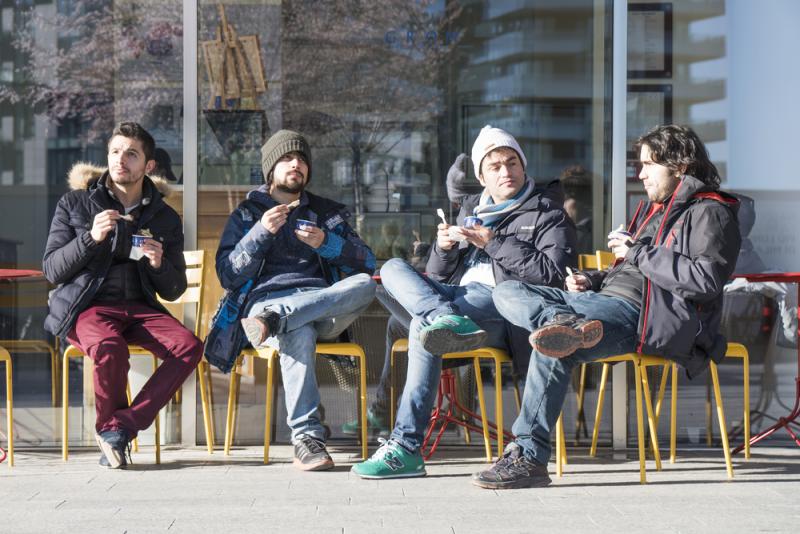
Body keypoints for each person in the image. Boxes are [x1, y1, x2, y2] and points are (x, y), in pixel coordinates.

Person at [472, 124, 742, 489]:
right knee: (509, 293)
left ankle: (528, 455)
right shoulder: (655, 211)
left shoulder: (711, 211)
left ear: (680, 166)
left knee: (555, 346)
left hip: (646, 316)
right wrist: (592, 280)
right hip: (601, 303)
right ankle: (561, 322)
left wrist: (637, 252)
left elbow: (706, 280)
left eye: (649, 164)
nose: (641, 173)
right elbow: (633, 271)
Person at [351, 125, 577, 479]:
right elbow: (438, 279)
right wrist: (444, 249)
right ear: (482, 176)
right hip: (457, 303)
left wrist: (492, 243)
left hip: (506, 310)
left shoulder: (548, 213)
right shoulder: (471, 209)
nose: (506, 172)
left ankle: (405, 447)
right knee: (393, 269)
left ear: (523, 165)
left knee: (421, 327)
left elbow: (552, 275)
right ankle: (445, 319)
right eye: (495, 166)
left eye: (512, 162)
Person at [43, 122, 203, 469]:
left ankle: (119, 428)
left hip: (140, 309)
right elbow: (52, 269)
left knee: (189, 346)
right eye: (115, 152)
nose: (121, 160)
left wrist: (159, 264)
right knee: (109, 347)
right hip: (88, 308)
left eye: (131, 154)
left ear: (148, 166)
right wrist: (90, 238)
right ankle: (112, 440)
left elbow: (174, 289)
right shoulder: (76, 204)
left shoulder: (164, 217)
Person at [215, 129, 377, 471]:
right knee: (297, 331)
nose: (296, 164)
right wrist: (260, 232)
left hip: (321, 303)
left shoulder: (325, 213)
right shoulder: (247, 213)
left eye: (302, 159)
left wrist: (326, 243)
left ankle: (280, 318)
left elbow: (367, 262)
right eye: (288, 158)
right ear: (270, 167)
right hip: (265, 303)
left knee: (364, 284)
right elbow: (228, 275)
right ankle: (307, 438)